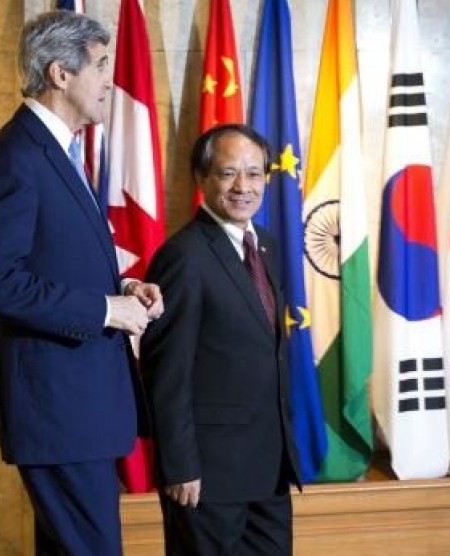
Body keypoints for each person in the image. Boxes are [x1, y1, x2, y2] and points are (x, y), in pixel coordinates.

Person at [0, 10, 162, 556]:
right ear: (60, 74)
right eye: (100, 66)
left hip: (80, 411)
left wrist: (124, 288)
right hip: (58, 412)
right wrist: (106, 311)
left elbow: (54, 259)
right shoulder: (18, 156)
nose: (109, 81)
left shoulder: (58, 150)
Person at [140, 124, 301, 555]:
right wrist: (179, 466)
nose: (244, 187)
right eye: (229, 174)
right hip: (206, 478)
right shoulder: (183, 257)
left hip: (267, 470)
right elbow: (166, 373)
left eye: (254, 173)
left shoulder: (263, 245)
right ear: (201, 179)